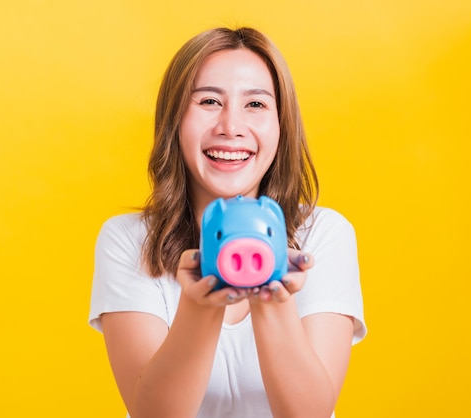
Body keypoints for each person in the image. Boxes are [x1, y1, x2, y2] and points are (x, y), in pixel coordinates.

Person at [89, 26, 366, 418]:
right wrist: (200, 306)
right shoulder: (127, 240)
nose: (231, 126)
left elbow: (309, 414)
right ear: (174, 121)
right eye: (208, 101)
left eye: (255, 104)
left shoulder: (324, 235)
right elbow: (153, 414)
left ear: (281, 125)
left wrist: (272, 296)